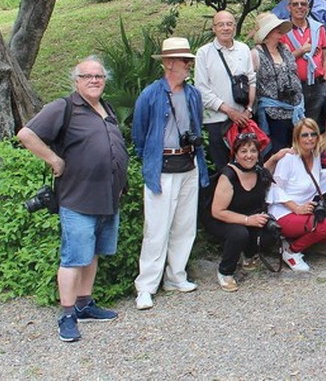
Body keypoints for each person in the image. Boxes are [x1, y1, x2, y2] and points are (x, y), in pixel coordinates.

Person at [17, 57, 129, 342]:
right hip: (77, 198)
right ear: (76, 81)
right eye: (87, 76)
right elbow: (26, 134)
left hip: (107, 197)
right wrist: (53, 159)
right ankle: (67, 315)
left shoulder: (106, 108)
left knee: (91, 253)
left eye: (99, 76)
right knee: (73, 258)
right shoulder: (64, 107)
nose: (94, 80)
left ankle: (83, 304)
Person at [132, 38, 209, 311]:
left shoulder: (193, 94)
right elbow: (139, 134)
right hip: (161, 167)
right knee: (156, 229)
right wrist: (150, 158)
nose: (188, 65)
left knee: (185, 225)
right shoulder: (150, 95)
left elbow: (197, 125)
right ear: (168, 63)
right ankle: (146, 286)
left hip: (189, 163)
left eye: (189, 60)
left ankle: (176, 276)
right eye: (184, 60)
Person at [266, 119, 326, 272]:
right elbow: (275, 188)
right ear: (297, 138)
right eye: (304, 135)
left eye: (313, 134)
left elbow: (317, 176)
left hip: (304, 211)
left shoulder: (315, 155)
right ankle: (291, 252)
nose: (309, 138)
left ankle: (295, 238)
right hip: (284, 212)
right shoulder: (288, 158)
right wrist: (296, 208)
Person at [204, 132, 277, 292]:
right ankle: (225, 272)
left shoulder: (259, 172)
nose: (249, 156)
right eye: (243, 151)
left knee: (271, 231)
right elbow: (217, 211)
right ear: (236, 154)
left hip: (247, 216)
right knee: (239, 234)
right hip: (221, 218)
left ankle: (248, 255)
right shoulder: (228, 175)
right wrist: (247, 220)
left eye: (253, 151)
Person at [194, 10, 255, 172]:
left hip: (243, 120)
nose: (225, 28)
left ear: (234, 27)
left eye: (229, 24)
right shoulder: (204, 53)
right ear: (214, 28)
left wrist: (249, 109)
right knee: (224, 169)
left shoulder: (243, 49)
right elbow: (202, 89)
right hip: (217, 121)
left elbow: (252, 81)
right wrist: (229, 111)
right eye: (221, 25)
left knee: (246, 165)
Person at [251, 13, 305, 154]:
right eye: (276, 29)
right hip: (273, 112)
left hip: (294, 109)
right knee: (278, 150)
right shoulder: (256, 54)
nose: (280, 31)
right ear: (267, 33)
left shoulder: (284, 49)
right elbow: (251, 82)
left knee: (296, 149)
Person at [282, 0, 326, 122]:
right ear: (289, 7)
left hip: (317, 84)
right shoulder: (283, 30)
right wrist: (302, 50)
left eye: (303, 4)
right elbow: (281, 61)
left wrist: (325, 77)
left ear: (308, 7)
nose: (299, 7)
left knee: (312, 123)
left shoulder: (318, 28)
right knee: (295, 124)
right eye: (295, 4)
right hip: (293, 86)